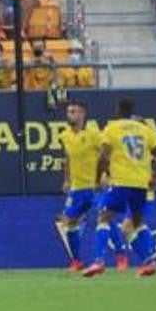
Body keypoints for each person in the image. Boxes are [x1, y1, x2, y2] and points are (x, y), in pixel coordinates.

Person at [84, 98, 156, 277]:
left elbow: (103, 156)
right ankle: (149, 261)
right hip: (141, 183)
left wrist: (97, 180)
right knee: (137, 222)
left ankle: (98, 261)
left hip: (121, 181)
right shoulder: (145, 130)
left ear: (118, 109)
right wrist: (155, 176)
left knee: (104, 217)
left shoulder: (112, 128)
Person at [54, 100, 105, 270]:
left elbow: (105, 156)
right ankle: (76, 261)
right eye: (69, 112)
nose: (70, 115)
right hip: (77, 188)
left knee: (105, 218)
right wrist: (66, 179)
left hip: (94, 186)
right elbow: (67, 158)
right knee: (70, 222)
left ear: (82, 114)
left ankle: (118, 256)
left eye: (74, 112)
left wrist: (104, 177)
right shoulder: (65, 136)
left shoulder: (94, 135)